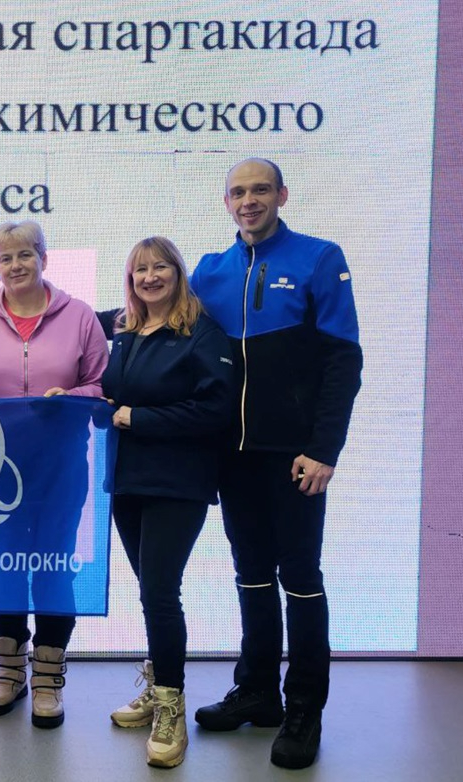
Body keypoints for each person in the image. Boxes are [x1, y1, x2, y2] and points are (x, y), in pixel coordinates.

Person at [189, 158, 363, 769]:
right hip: (233, 456)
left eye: (260, 189)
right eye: (238, 192)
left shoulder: (318, 258)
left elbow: (344, 362)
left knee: (301, 577)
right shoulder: (210, 271)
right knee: (251, 575)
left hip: (296, 458)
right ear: (226, 202)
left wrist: (324, 449)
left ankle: (304, 709)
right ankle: (258, 691)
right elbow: (152, 316)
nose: (249, 200)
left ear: (282, 195)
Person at [0, 220, 108, 728]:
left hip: (60, 468)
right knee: (5, 566)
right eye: (6, 257)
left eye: (26, 254)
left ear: (44, 258)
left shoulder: (80, 316)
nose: (16, 265)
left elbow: (101, 385)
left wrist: (73, 396)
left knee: (53, 566)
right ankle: (9, 673)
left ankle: (47, 679)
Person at [101, 237, 234, 768]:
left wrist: (140, 418)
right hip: (127, 482)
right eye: (140, 269)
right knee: (149, 591)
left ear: (178, 273)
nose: (150, 277)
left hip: (177, 483)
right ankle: (159, 684)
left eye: (160, 267)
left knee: (159, 593)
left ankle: (171, 707)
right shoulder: (126, 331)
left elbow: (216, 409)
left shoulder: (201, 332)